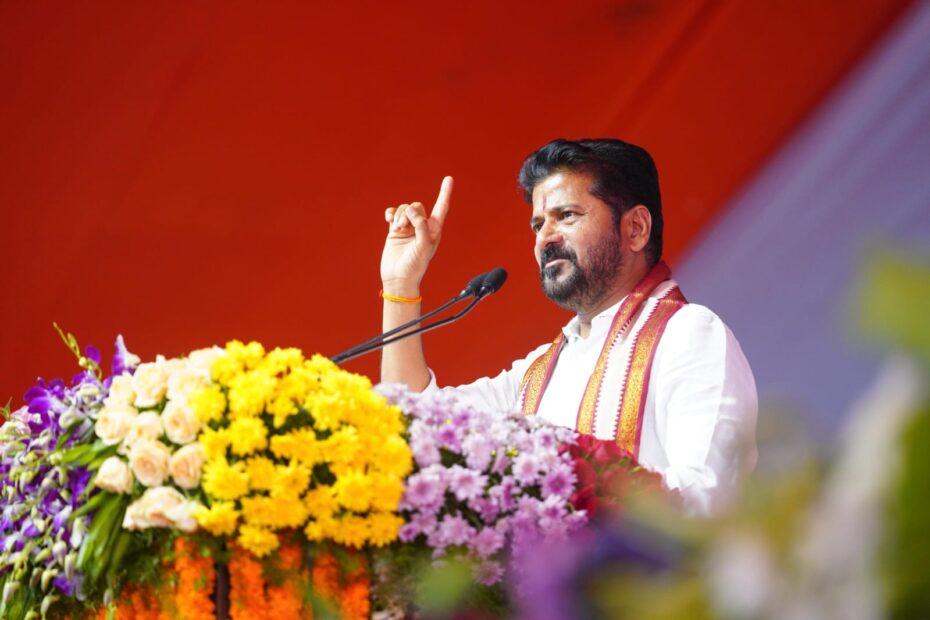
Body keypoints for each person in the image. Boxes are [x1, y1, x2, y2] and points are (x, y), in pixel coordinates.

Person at [379, 138, 757, 514]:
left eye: (567, 216)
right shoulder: (537, 373)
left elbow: (709, 496)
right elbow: (416, 424)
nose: (546, 238)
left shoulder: (688, 334)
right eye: (538, 224)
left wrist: (574, 524)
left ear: (636, 228)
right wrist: (400, 286)